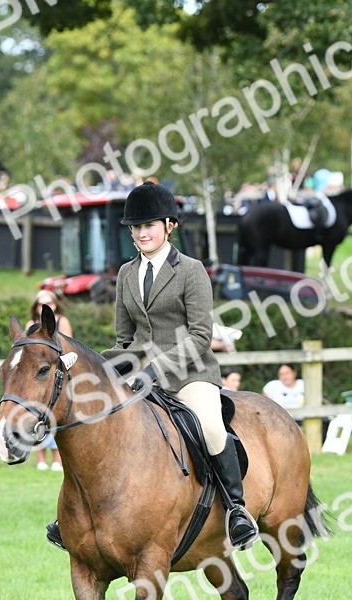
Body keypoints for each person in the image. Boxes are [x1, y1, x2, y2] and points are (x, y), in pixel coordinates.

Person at [50, 180, 258, 551]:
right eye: (136, 227)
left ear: (169, 226)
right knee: (94, 421)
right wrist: (86, 365)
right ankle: (75, 515)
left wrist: (156, 369)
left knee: (210, 427)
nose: (141, 233)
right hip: (139, 375)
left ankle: (236, 510)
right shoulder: (127, 274)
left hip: (190, 374)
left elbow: (199, 336)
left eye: (149, 225)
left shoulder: (192, 270)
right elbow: (123, 342)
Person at [30, 291, 72, 472]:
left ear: (55, 304)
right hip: (38, 375)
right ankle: (40, 459)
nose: (45, 306)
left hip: (58, 372)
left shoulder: (62, 322)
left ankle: (57, 459)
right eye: (41, 304)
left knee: (57, 416)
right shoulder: (31, 325)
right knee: (36, 414)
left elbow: (69, 345)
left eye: (49, 303)